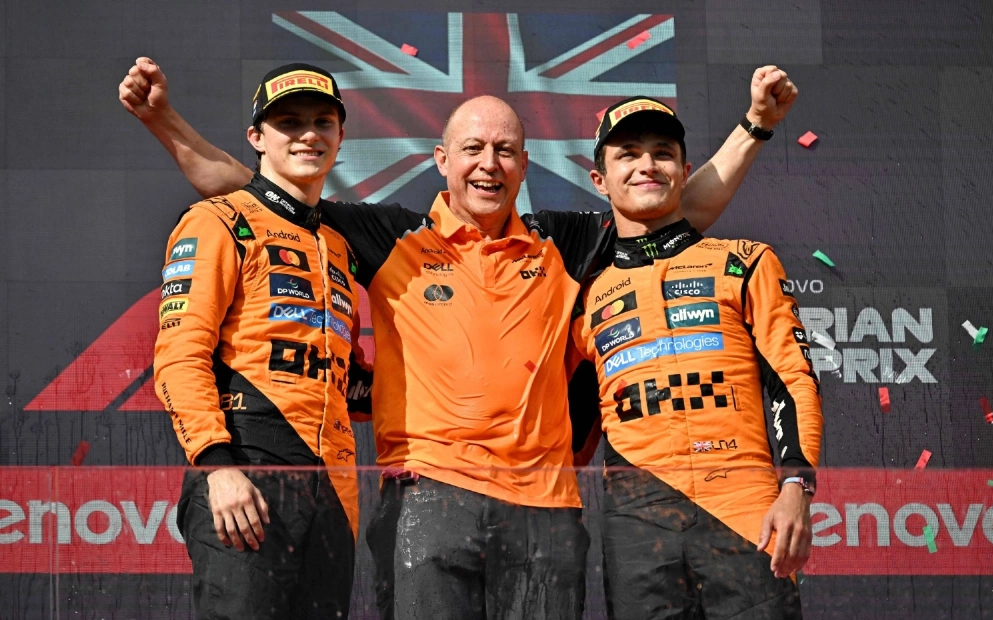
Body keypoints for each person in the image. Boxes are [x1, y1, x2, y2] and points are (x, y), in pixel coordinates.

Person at [122, 58, 796, 619]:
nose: (487, 164)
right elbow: (263, 190)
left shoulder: (564, 241)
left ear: (524, 164)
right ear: (442, 159)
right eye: (472, 149)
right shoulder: (389, 235)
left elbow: (673, 209)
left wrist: (755, 126)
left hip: (543, 506)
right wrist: (163, 123)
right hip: (428, 496)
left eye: (504, 150)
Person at [568, 96, 820, 619]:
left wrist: (796, 485)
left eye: (662, 153)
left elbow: (792, 378)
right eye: (628, 154)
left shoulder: (744, 262)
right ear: (600, 181)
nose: (647, 165)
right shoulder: (585, 297)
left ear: (685, 174)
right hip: (637, 522)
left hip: (743, 508)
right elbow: (573, 428)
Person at [153, 63, 365, 618]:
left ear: (340, 136)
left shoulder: (338, 247)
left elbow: (347, 378)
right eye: (289, 123)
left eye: (322, 122)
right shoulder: (217, 221)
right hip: (245, 466)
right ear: (257, 138)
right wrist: (217, 466)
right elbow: (179, 356)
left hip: (334, 487)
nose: (308, 135)